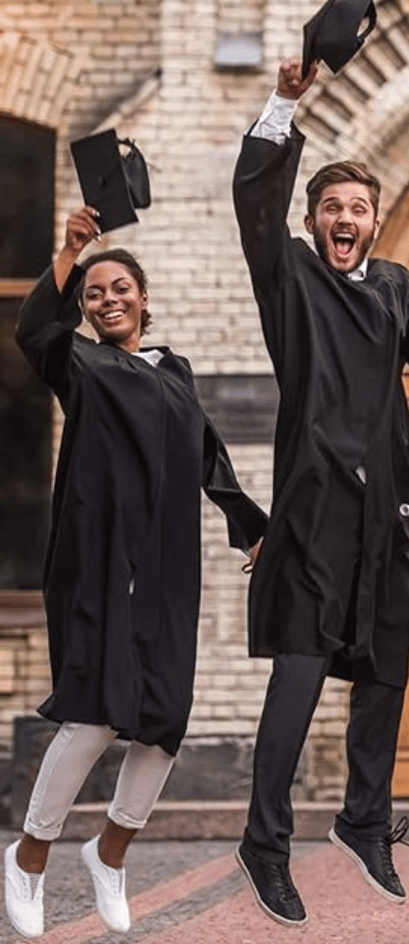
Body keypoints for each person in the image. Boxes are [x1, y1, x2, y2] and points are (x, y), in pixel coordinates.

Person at [232, 58, 409, 928]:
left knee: (386, 672)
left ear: (376, 226)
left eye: (358, 210)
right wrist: (285, 102)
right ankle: (265, 843)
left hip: (386, 512)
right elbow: (254, 201)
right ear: (312, 220)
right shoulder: (290, 277)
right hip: (313, 508)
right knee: (299, 677)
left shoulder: (392, 284)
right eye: (331, 207)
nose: (345, 218)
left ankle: (363, 821)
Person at [7, 207, 267, 940]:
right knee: (95, 711)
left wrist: (251, 526)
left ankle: (109, 852)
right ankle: (27, 858)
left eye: (120, 287)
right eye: (94, 293)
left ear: (145, 298)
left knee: (163, 719)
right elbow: (34, 332)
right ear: (84, 309)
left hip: (166, 563)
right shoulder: (79, 363)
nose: (108, 298)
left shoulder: (174, 370)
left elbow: (210, 454)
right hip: (97, 556)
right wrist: (71, 250)